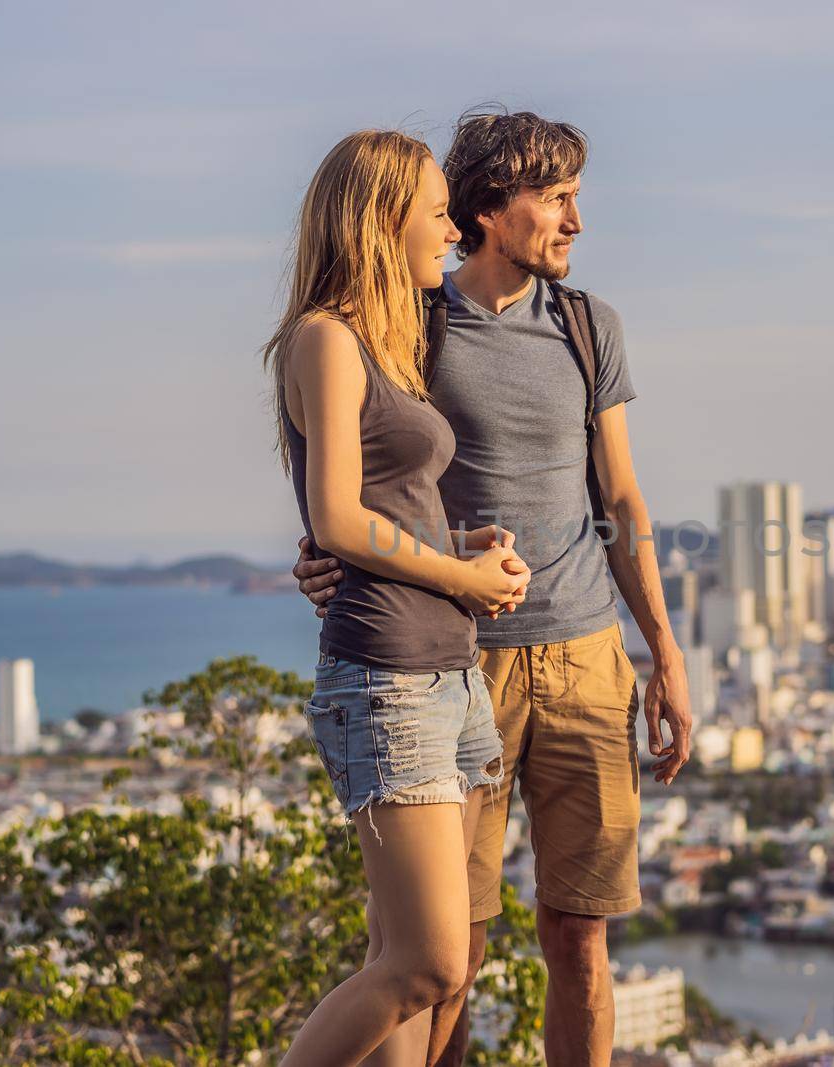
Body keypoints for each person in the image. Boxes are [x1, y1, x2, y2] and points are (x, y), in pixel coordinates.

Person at [294, 109, 694, 1067]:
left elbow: (624, 498)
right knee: (447, 950)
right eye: (556, 199)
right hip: (459, 661)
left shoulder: (591, 327)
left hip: (589, 660)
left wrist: (665, 655)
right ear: (488, 206)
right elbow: (362, 472)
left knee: (581, 939)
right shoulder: (411, 319)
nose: (575, 222)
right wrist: (327, 550)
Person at [267, 129, 532, 1067]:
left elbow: (379, 514)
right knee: (425, 961)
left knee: (423, 965)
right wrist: (461, 575)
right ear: (383, 221)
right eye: (434, 214)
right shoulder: (325, 338)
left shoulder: (388, 342)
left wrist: (461, 549)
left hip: (447, 673)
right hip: (388, 681)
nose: (452, 230)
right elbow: (337, 515)